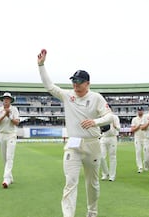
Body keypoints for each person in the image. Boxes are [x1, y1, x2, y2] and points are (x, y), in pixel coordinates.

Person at [37, 49, 113, 217]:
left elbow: (110, 117)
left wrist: (95, 121)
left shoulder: (96, 98)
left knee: (92, 184)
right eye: (74, 81)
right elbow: (49, 86)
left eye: (79, 81)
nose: (75, 84)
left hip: (93, 144)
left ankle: (92, 212)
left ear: (87, 83)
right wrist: (41, 65)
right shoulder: (67, 96)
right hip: (73, 144)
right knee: (70, 182)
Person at [0, 92, 20, 189]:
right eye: (4, 98)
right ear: (2, 100)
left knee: (9, 157)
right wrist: (4, 115)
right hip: (1, 135)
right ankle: (10, 177)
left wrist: (9, 116)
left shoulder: (14, 109)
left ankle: (6, 179)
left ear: (10, 100)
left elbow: (17, 122)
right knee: (4, 158)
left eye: (8, 99)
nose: (6, 100)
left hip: (11, 135)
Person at [100, 109, 120, 182]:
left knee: (112, 157)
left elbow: (119, 128)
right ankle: (105, 173)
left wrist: (115, 126)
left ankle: (112, 176)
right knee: (101, 156)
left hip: (112, 138)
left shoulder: (115, 117)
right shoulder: (102, 118)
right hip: (103, 138)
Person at [130, 107, 146, 173]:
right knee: (138, 152)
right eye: (139, 111)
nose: (140, 112)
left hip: (145, 138)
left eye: (141, 110)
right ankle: (140, 167)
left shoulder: (146, 118)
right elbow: (132, 130)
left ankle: (146, 166)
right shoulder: (134, 119)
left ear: (143, 111)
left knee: (147, 153)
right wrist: (139, 126)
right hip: (137, 138)